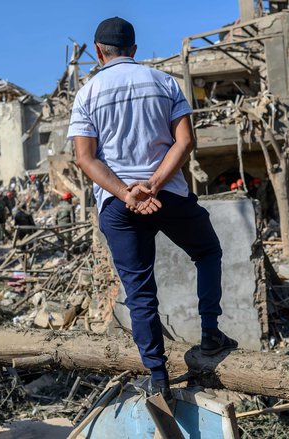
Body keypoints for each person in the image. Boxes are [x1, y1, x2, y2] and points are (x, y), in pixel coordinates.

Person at [68, 17, 237, 400]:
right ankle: (210, 332)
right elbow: (185, 141)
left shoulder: (88, 93)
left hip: (117, 203)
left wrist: (127, 194)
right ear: (134, 50)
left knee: (140, 291)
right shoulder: (163, 82)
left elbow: (85, 158)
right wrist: (155, 185)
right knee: (207, 251)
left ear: (98, 52)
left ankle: (158, 378)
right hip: (168, 195)